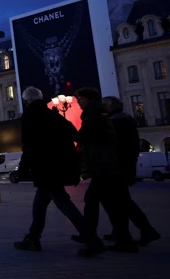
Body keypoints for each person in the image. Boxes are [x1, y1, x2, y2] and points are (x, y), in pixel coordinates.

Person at [13, 86, 104, 256]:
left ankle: (93, 240)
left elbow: (30, 145)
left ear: (26, 101)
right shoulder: (55, 115)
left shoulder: (31, 116)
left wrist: (23, 169)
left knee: (63, 203)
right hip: (60, 166)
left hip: (46, 167)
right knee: (40, 204)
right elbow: (73, 135)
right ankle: (33, 237)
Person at [75, 87, 137, 252]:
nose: (79, 102)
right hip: (107, 164)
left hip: (102, 165)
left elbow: (83, 136)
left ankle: (93, 241)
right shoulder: (100, 114)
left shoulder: (93, 115)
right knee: (112, 203)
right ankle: (124, 240)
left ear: (89, 99)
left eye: (81, 99)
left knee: (99, 201)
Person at [91, 96, 159, 245]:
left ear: (111, 106)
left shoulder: (116, 122)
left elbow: (114, 145)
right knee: (119, 201)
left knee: (121, 202)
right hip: (123, 166)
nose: (102, 107)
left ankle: (142, 231)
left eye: (104, 105)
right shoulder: (124, 119)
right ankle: (125, 232)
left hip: (117, 167)